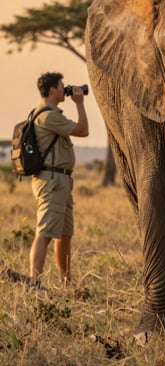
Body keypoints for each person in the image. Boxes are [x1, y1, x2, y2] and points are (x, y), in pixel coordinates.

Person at [28, 72, 89, 287]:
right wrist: (80, 103)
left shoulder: (47, 114)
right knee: (44, 232)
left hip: (60, 180)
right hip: (52, 181)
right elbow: (83, 130)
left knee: (63, 234)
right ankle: (34, 283)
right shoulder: (49, 116)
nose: (66, 89)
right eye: (63, 86)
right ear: (52, 89)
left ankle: (66, 282)